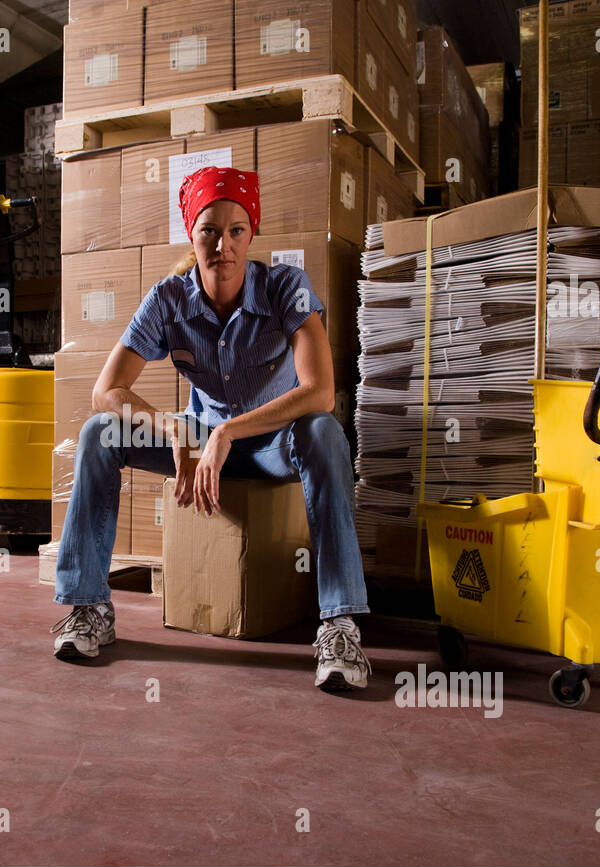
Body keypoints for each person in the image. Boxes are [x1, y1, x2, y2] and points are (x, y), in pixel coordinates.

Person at [49, 165, 371, 691]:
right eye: (209, 231)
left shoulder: (285, 288)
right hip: (197, 441)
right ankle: (87, 607)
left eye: (236, 230)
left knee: (324, 431)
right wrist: (176, 432)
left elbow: (319, 392)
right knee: (99, 434)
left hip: (271, 445)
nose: (223, 244)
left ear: (252, 234)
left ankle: (338, 625)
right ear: (192, 235)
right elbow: (106, 390)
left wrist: (228, 432)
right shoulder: (169, 299)